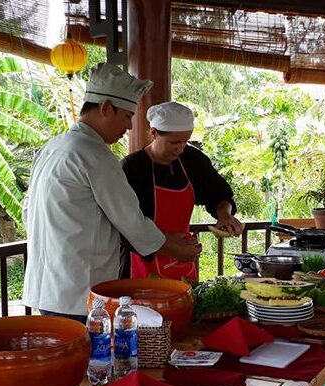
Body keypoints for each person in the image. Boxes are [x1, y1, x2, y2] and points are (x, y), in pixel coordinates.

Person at [22, 64, 202, 323]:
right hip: (80, 293)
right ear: (106, 108)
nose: (129, 126)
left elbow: (27, 212)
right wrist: (177, 250)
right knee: (92, 361)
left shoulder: (54, 146)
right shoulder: (94, 154)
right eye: (127, 116)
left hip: (47, 288)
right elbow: (131, 222)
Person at [122, 101, 243, 280]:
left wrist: (224, 214)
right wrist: (171, 247)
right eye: (174, 142)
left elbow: (219, 194)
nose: (180, 148)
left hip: (183, 259)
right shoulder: (133, 167)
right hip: (141, 262)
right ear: (154, 133)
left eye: (185, 141)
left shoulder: (193, 160)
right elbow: (126, 225)